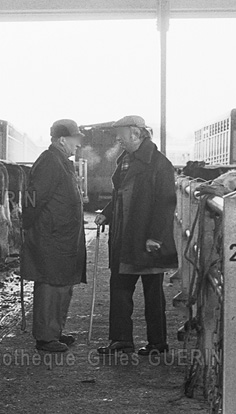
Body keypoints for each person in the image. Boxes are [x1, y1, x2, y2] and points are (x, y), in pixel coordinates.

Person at [94, 115, 178, 356]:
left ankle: (157, 343)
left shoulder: (159, 163)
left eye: (120, 133)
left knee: (153, 293)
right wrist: (107, 213)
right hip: (124, 236)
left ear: (135, 133)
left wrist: (156, 237)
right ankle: (121, 339)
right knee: (119, 288)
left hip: (146, 239)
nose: (117, 138)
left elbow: (166, 203)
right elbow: (120, 193)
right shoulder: (126, 161)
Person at [21, 119, 87, 353]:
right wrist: (28, 226)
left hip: (62, 237)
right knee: (50, 285)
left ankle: (55, 332)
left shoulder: (61, 161)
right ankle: (46, 337)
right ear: (61, 140)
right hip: (51, 237)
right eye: (75, 139)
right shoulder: (50, 162)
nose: (78, 144)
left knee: (62, 284)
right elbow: (33, 199)